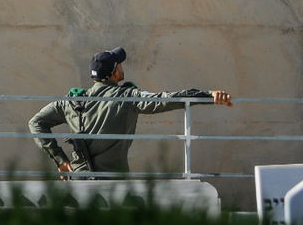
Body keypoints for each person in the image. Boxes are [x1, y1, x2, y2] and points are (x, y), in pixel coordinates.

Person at [29, 47, 233, 176]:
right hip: (115, 184)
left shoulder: (72, 102)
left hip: (79, 181)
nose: (121, 67)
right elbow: (164, 100)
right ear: (114, 72)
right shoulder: (126, 98)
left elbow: (36, 122)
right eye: (119, 65)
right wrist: (208, 95)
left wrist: (61, 161)